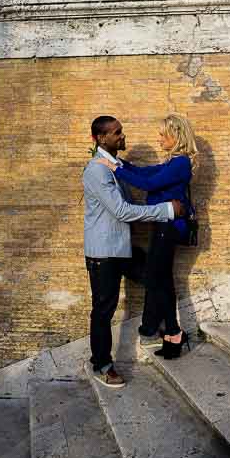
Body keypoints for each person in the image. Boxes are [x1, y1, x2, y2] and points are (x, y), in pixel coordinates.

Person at [83, 115, 184, 387]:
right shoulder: (96, 170)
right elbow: (122, 211)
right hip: (103, 254)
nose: (122, 136)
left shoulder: (112, 167)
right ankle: (102, 365)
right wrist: (166, 210)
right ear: (102, 138)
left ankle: (155, 330)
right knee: (103, 310)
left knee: (155, 277)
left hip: (121, 249)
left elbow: (141, 178)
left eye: (121, 131)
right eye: (117, 133)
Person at [97, 114, 197, 360]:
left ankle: (168, 330)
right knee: (161, 279)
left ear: (177, 136)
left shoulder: (181, 163)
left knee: (156, 279)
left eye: (163, 134)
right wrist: (117, 162)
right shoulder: (172, 162)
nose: (159, 138)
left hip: (171, 226)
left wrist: (116, 169)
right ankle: (165, 331)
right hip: (162, 225)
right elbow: (143, 172)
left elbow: (149, 184)